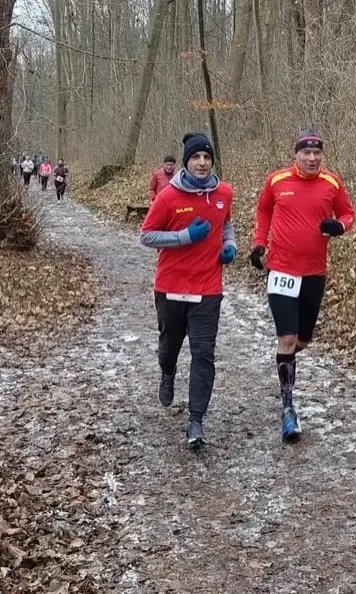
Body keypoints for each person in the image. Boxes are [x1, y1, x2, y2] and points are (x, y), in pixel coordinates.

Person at [250, 129, 356, 442]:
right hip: (281, 270)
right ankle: (288, 409)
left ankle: (286, 359)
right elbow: (263, 209)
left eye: (317, 153)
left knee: (303, 341)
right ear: (296, 154)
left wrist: (339, 226)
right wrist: (259, 243)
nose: (311, 158)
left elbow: (349, 214)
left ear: (322, 155)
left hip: (313, 273)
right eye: (306, 153)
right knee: (287, 336)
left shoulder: (332, 183)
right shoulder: (277, 180)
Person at [139, 133, 236, 449]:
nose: (202, 162)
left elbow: (226, 224)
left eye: (207, 157)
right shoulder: (168, 197)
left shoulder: (224, 193)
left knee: (203, 353)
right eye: (196, 157)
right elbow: (147, 236)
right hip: (171, 286)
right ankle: (167, 373)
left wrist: (229, 246)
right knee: (169, 347)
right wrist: (184, 237)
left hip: (208, 288)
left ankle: (196, 420)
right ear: (186, 161)